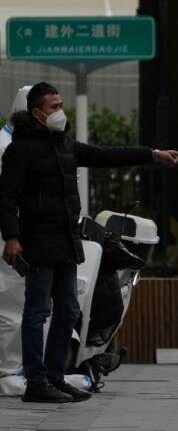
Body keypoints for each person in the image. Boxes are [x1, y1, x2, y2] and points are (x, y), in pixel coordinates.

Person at [0, 82, 178, 403]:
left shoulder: (65, 145)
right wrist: (12, 237)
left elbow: (105, 156)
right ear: (37, 113)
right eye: (53, 107)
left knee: (68, 310)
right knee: (36, 312)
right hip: (38, 243)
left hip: (66, 241)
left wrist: (153, 155)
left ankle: (55, 377)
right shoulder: (20, 150)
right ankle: (36, 382)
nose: (60, 112)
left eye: (61, 105)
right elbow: (6, 198)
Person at [0, 85, 32, 385]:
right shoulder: (7, 147)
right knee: (12, 304)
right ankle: (9, 371)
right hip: (11, 236)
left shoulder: (19, 144)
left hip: (24, 234)